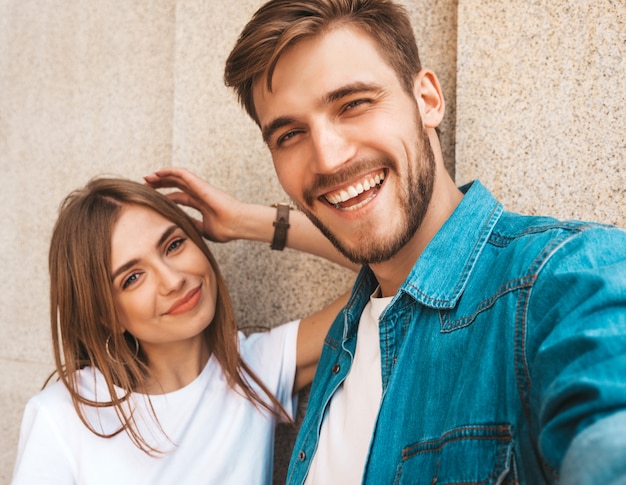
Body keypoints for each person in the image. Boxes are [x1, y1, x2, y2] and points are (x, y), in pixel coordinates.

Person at [145, 0, 626, 483]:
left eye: (352, 104)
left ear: (428, 100)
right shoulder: (343, 341)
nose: (329, 159)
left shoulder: (565, 279)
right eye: (290, 134)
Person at [11, 177, 351, 485]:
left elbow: (389, 266)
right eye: (132, 278)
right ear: (105, 315)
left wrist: (244, 222)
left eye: (173, 245)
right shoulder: (63, 418)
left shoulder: (255, 368)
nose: (173, 280)